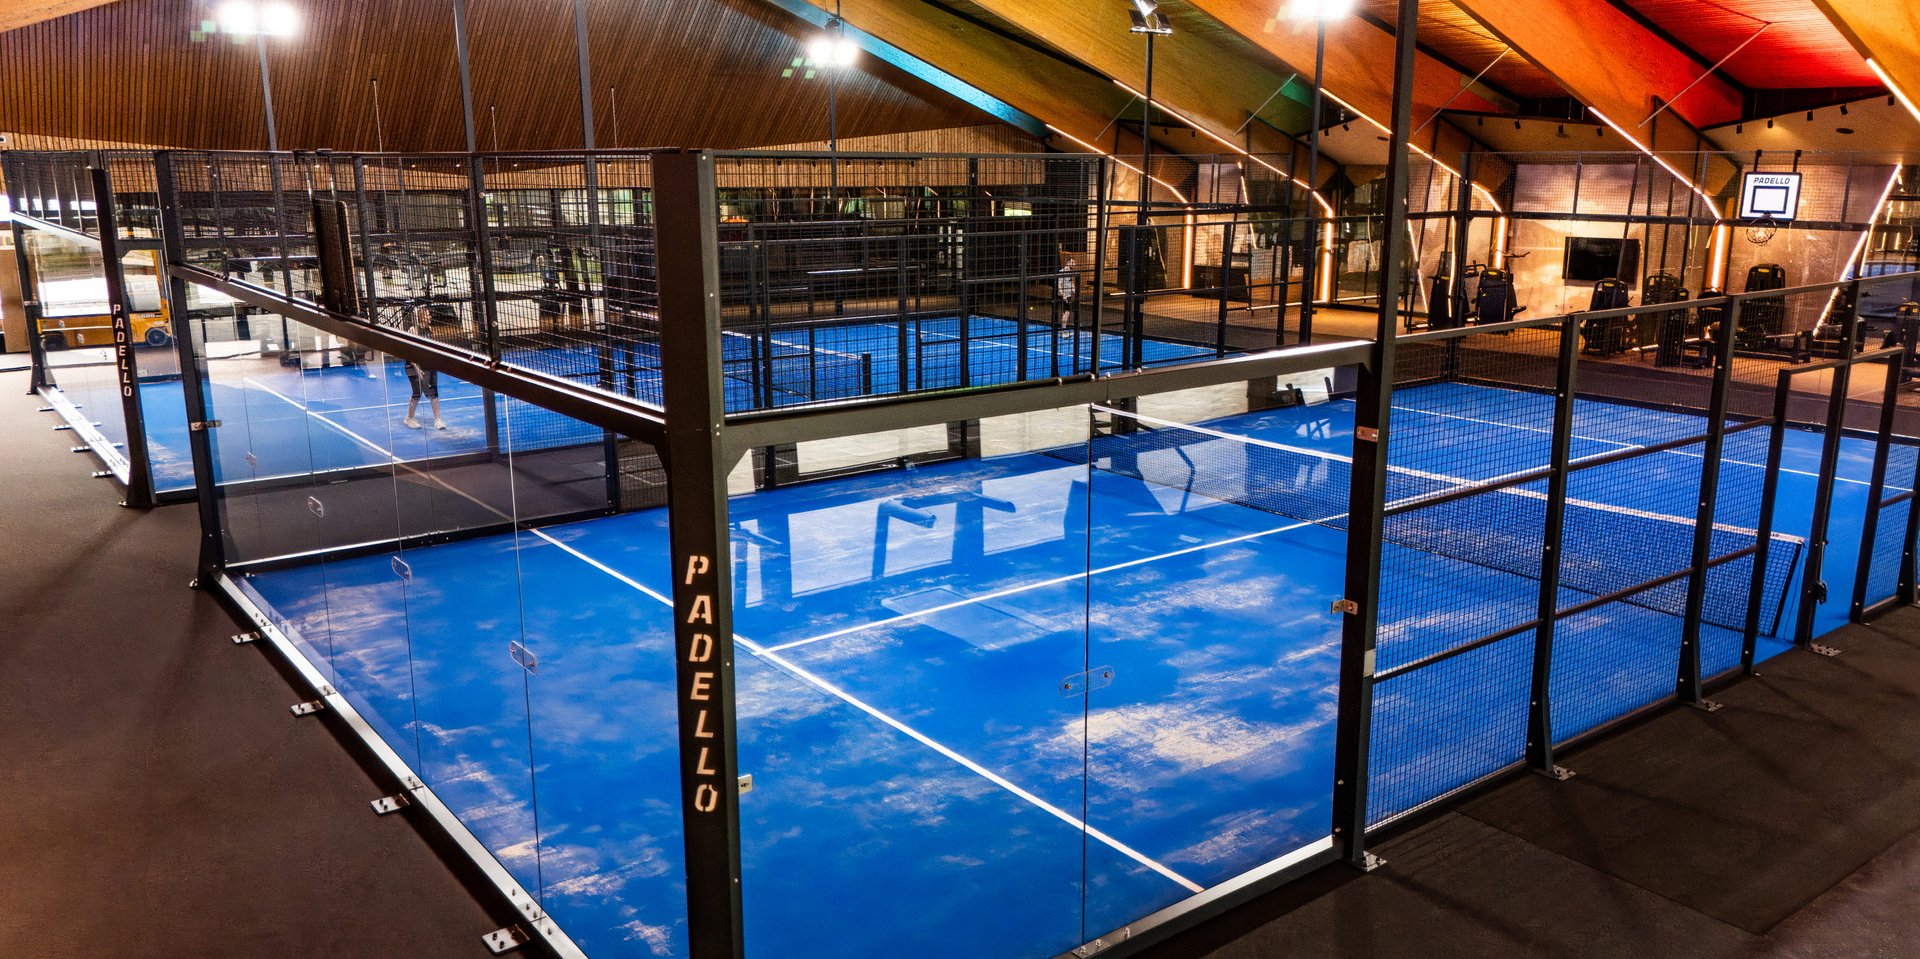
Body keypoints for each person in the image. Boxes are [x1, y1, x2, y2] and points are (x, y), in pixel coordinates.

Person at [401, 305, 445, 430]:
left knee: (433, 392)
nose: (430, 316)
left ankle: (438, 420)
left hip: (429, 365)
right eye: (427, 315)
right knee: (417, 393)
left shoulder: (430, 329)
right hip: (413, 366)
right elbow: (410, 352)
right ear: (421, 317)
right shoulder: (413, 330)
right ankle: (409, 418)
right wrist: (417, 369)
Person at [1054, 250, 1080, 327]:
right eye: (1072, 263)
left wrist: (1074, 289)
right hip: (1064, 295)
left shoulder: (1070, 272)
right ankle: (1063, 330)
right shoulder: (1062, 272)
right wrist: (1063, 295)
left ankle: (1063, 329)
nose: (1074, 264)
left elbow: (1070, 282)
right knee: (1067, 312)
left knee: (1065, 312)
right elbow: (1059, 284)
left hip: (1068, 294)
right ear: (1068, 263)